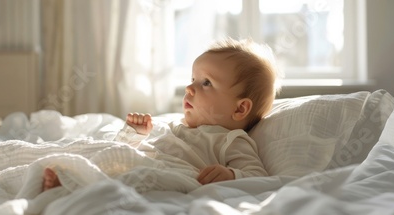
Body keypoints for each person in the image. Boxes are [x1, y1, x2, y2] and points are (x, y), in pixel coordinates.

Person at [43, 38, 281, 191]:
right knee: (104, 156)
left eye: (206, 83)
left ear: (240, 109)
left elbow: (257, 177)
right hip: (139, 164)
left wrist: (231, 174)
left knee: (125, 180)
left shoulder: (230, 140)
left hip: (162, 177)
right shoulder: (173, 125)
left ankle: (73, 185)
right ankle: (71, 179)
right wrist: (134, 134)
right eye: (192, 79)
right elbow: (123, 150)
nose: (190, 88)